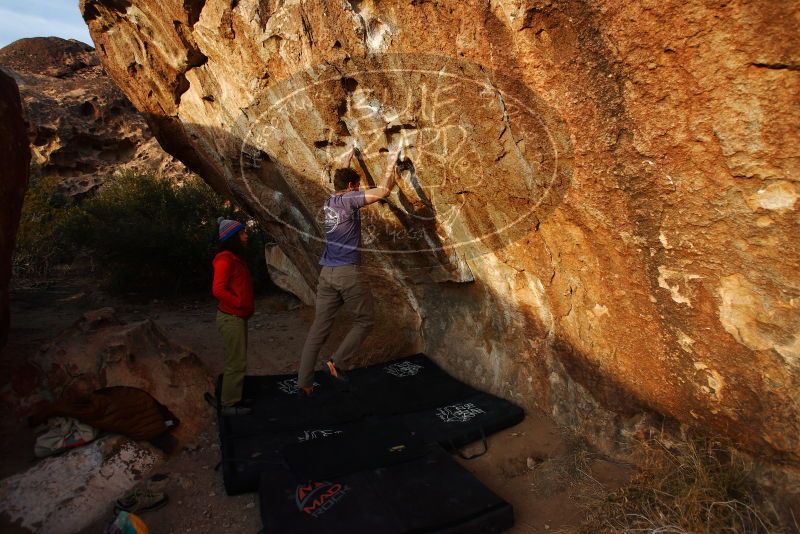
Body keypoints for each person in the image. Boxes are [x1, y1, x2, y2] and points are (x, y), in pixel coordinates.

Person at [297, 146, 401, 395]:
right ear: (353, 186)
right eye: (357, 185)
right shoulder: (349, 200)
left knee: (318, 329)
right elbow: (383, 191)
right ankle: (337, 361)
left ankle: (305, 384)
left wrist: (348, 156)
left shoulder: (330, 199)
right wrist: (391, 161)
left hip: (327, 274)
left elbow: (341, 179)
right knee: (365, 320)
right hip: (347, 273)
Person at [212, 217, 255, 416]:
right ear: (232, 238)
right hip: (232, 317)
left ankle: (234, 396)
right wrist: (239, 303)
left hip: (237, 316)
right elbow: (218, 289)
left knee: (238, 359)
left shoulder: (234, 257)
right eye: (241, 233)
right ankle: (229, 404)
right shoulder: (224, 259)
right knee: (236, 361)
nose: (246, 236)